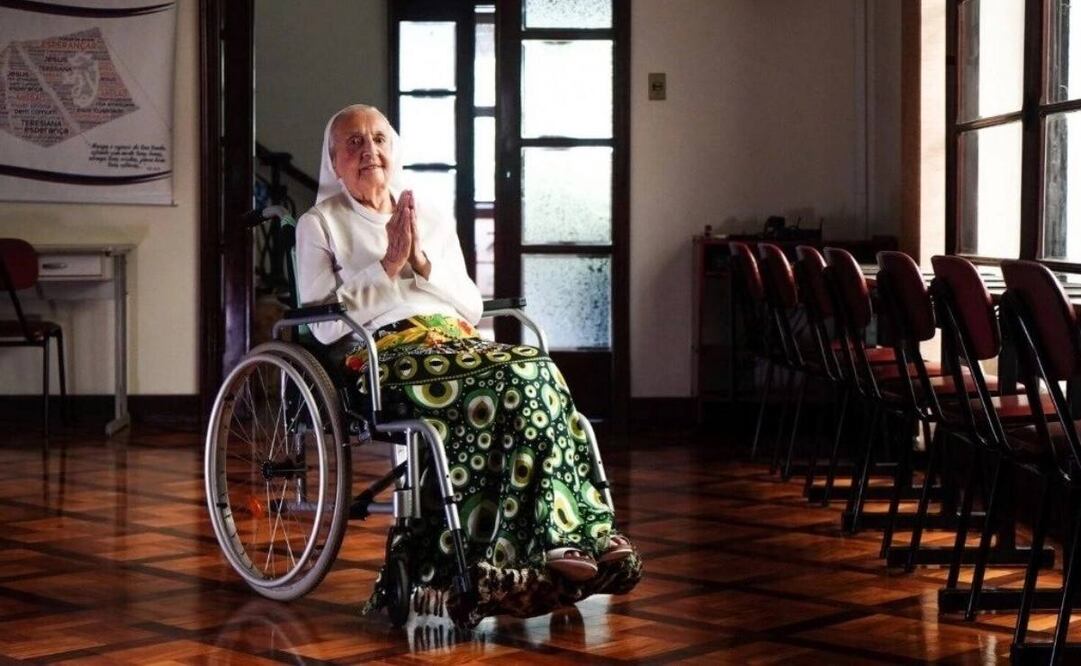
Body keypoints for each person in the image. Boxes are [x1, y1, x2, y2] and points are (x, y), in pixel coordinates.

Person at [296, 104, 640, 627]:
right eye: (354, 143)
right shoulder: (319, 223)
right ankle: (519, 552)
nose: (370, 151)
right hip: (384, 356)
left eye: (379, 139)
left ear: (395, 149)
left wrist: (422, 263)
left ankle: (577, 534)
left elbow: (471, 306)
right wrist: (387, 264)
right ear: (334, 161)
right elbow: (322, 325)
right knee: (512, 376)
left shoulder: (428, 214)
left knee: (533, 368)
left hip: (454, 344)